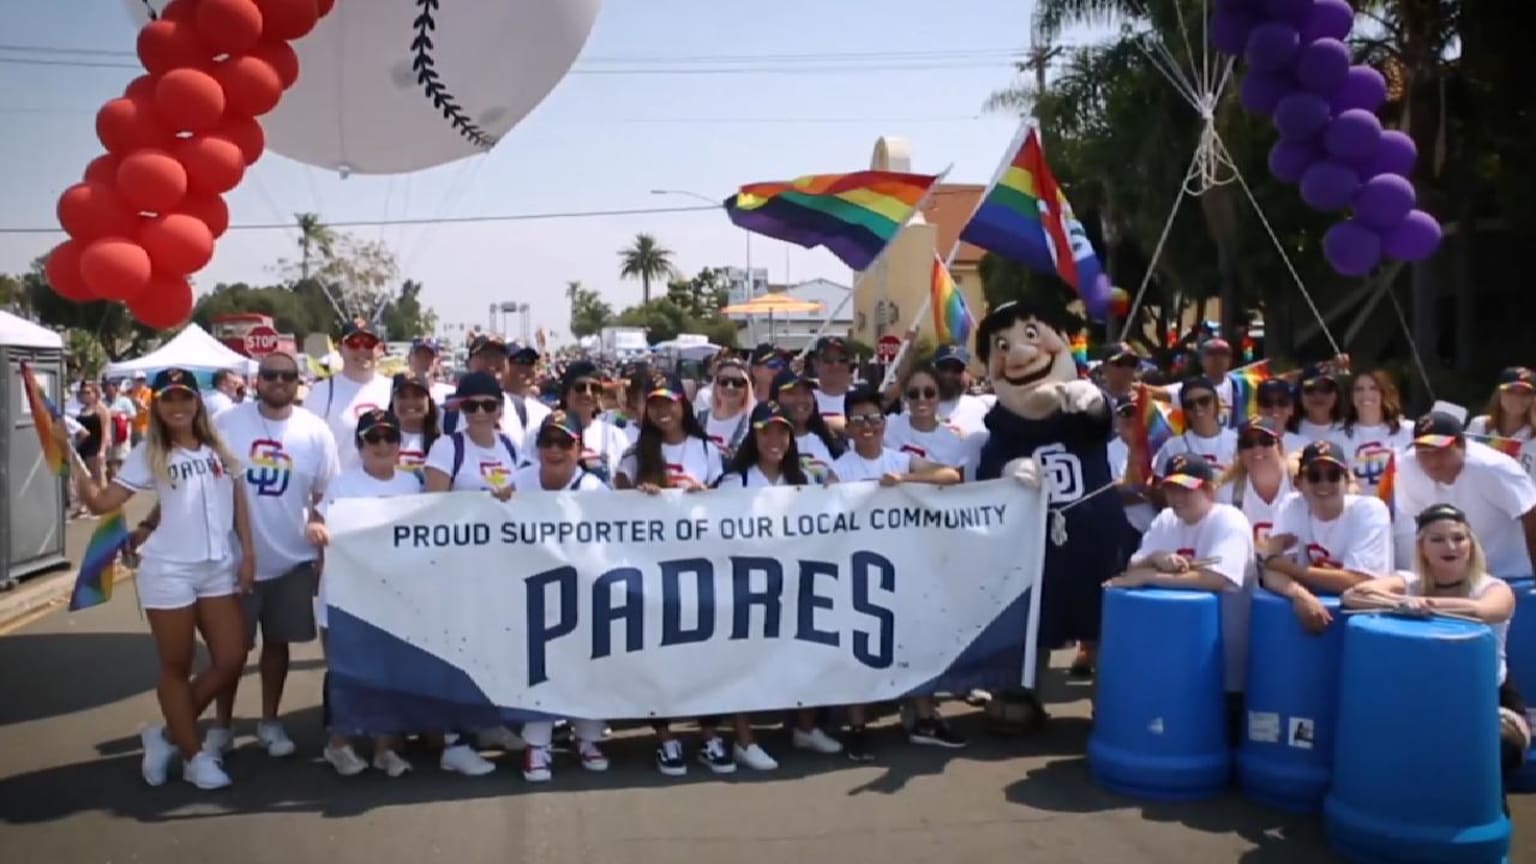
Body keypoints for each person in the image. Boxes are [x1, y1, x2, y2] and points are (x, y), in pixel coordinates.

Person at [60, 368, 251, 789]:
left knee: (232, 657)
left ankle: (165, 734)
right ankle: (193, 755)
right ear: (157, 405)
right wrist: (77, 466)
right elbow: (103, 501)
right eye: (168, 399)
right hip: (169, 570)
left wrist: (248, 555)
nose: (178, 406)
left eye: (185, 398)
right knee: (177, 665)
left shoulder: (219, 445)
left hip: (219, 566)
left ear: (197, 402)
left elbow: (235, 500)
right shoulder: (148, 452)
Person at [1342, 504, 1528, 805]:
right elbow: (1352, 596)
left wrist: (1424, 605)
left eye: (1458, 538)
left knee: (1488, 750)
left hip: (1490, 700)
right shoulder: (1408, 582)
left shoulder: (1492, 587)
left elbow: (1489, 611)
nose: (1450, 546)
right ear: (1422, 547)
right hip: (1423, 699)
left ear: (1470, 544)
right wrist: (1401, 603)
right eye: (1438, 539)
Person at [209, 350, 339, 761]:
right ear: (257, 380)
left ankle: (269, 720)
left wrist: (319, 527)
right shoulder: (227, 422)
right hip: (234, 561)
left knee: (277, 646)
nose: (278, 382)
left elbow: (326, 494)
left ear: (298, 382)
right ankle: (221, 726)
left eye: (286, 376)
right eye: (269, 375)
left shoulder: (315, 431)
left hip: (292, 560)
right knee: (229, 652)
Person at [712, 402, 855, 760]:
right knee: (742, 662)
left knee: (805, 652)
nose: (774, 438)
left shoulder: (807, 476)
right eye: (766, 431)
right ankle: (744, 739)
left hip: (796, 582)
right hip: (747, 585)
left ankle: (805, 728)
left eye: (782, 431)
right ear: (754, 435)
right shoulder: (736, 480)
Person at [829, 385, 966, 750]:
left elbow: (950, 476)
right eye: (858, 420)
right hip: (856, 570)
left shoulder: (900, 460)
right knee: (856, 650)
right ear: (849, 427)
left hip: (904, 568)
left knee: (914, 645)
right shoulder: (838, 470)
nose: (867, 426)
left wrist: (904, 481)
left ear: (884, 423)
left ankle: (924, 718)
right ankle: (857, 728)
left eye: (874, 418)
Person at [1108, 454, 1256, 741]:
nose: (1177, 497)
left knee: (1222, 739)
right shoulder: (1166, 519)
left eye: (1186, 489)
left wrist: (1152, 576)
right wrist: (1156, 557)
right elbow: (1133, 566)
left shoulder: (1229, 520)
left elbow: (1219, 578)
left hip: (1229, 664)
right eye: (1171, 488)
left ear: (1208, 491)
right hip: (1181, 658)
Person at [311, 409, 419, 777]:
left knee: (389, 672)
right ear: (359, 445)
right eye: (373, 438)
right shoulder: (343, 485)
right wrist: (316, 531)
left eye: (390, 437)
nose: (383, 445)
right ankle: (338, 745)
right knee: (349, 673)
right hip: (345, 595)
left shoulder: (411, 485)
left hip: (391, 595)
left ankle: (385, 748)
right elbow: (317, 521)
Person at [506, 410, 612, 782]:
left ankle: (588, 738)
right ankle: (537, 745)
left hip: (582, 592)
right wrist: (495, 502)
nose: (554, 450)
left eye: (564, 442)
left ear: (578, 447)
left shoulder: (595, 490)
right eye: (547, 442)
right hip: (532, 593)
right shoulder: (518, 482)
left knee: (587, 666)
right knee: (539, 670)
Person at [421, 371, 519, 773]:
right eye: (471, 405)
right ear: (460, 408)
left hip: (500, 566)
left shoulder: (511, 445)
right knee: (457, 654)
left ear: (499, 408)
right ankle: (454, 742)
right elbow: (434, 505)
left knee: (493, 650)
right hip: (457, 569)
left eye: (489, 405)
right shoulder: (447, 448)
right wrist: (483, 502)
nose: (480, 412)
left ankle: (489, 722)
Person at [1260, 440, 1392, 633]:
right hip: (1313, 610)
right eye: (1314, 476)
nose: (1324, 483)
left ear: (1346, 481)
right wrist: (1299, 594)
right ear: (1298, 483)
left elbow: (1360, 582)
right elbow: (1270, 569)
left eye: (1333, 475)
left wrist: (1292, 569)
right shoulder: (1292, 505)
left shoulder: (1370, 510)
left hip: (1369, 619)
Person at [1391, 412, 1536, 582]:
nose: (1432, 463)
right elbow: (1421, 520)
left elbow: (1531, 513)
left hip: (1511, 575)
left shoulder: (1492, 468)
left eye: (1440, 452)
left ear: (1461, 444)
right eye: (1424, 453)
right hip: (1453, 580)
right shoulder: (1409, 466)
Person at [308, 321, 393, 471]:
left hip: (385, 489)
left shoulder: (393, 390)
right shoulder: (321, 392)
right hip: (339, 490)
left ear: (379, 349)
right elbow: (308, 448)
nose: (361, 349)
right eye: (353, 343)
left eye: (369, 343)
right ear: (340, 348)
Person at [1216, 416, 1296, 546]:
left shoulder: (1300, 484)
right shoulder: (1227, 494)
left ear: (1279, 446)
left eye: (1265, 441)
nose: (1257, 449)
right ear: (1240, 452)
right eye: (1248, 443)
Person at [1336, 369, 1414, 497]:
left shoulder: (1408, 430)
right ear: (1351, 396)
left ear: (1383, 393)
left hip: (1403, 513)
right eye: (1359, 389)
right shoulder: (1337, 437)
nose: (1366, 394)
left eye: (1373, 388)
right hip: (1361, 512)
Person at [883, 363, 971, 470]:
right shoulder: (888, 426)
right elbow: (873, 405)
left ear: (939, 396)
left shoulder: (952, 442)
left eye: (929, 393)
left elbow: (954, 479)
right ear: (905, 398)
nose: (921, 399)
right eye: (913, 393)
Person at [1152, 376, 1238, 478]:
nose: (1197, 407)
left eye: (1204, 401)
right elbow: (1158, 490)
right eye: (1190, 404)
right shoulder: (1171, 448)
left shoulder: (1237, 442)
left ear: (1216, 403)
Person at [770, 368, 844, 482]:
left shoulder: (831, 441)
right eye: (791, 393)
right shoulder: (764, 443)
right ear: (775, 398)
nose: (801, 399)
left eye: (806, 392)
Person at [696, 357, 755, 460]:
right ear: (715, 385)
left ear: (747, 388)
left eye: (737, 383)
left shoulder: (751, 424)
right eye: (724, 381)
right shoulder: (699, 419)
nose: (730, 387)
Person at [931, 345, 992, 436]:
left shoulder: (982, 405)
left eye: (956, 369)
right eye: (943, 367)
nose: (948, 375)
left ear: (967, 373)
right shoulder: (916, 406)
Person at [390, 371, 441, 473]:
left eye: (417, 395)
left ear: (429, 402)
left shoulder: (444, 443)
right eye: (402, 396)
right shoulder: (377, 441)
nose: (410, 402)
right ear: (392, 402)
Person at [72, 381, 109, 518]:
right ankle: (83, 506)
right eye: (83, 393)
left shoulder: (101, 410)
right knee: (82, 479)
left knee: (99, 477)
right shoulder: (81, 411)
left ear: (95, 393)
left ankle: (104, 505)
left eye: (88, 392)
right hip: (82, 447)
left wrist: (103, 450)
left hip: (96, 446)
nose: (85, 395)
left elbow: (106, 432)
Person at [810, 336, 856, 430]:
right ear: (816, 364)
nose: (836, 365)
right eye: (828, 361)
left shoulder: (861, 399)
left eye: (842, 360)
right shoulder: (805, 400)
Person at [1291, 365, 1344, 445]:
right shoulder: (1290, 431)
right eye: (1310, 389)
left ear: (1336, 395)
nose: (1318, 395)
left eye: (1325, 389)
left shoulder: (1350, 430)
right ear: (1299, 395)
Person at [103, 378, 137, 481]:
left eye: (110, 389)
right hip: (107, 436)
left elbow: (133, 416)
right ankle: (113, 484)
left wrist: (120, 415)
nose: (108, 391)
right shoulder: (102, 402)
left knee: (120, 460)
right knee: (109, 462)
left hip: (121, 436)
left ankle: (121, 483)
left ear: (116, 388)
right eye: (105, 389)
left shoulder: (124, 401)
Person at [406, 338, 456, 404]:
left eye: (428, 357)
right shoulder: (401, 389)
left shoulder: (449, 391)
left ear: (437, 361)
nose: (423, 361)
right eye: (419, 356)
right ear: (410, 359)